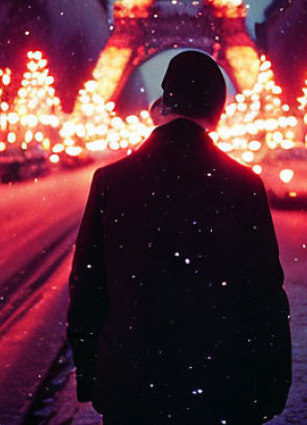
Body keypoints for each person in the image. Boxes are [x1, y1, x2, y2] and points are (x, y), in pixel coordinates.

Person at [68, 50, 291, 424]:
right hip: (221, 389)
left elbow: (88, 288)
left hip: (134, 388)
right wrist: (271, 387)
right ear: (217, 111)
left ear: (164, 103)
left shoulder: (111, 182)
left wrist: (94, 376)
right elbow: (266, 297)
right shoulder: (243, 186)